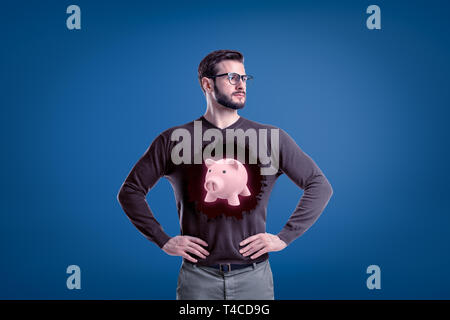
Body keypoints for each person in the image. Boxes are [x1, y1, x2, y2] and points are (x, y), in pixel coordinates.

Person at [117, 49, 333, 300]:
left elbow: (319, 185)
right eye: (232, 77)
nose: (241, 84)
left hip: (254, 278)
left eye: (244, 78)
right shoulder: (174, 140)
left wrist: (285, 237)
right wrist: (163, 239)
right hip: (197, 279)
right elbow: (130, 191)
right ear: (207, 84)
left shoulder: (271, 138)